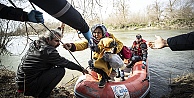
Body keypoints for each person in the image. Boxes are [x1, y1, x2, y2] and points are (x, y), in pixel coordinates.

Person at [15, 29, 88, 98]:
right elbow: (66, 63)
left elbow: (52, 35)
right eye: (56, 41)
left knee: (51, 65)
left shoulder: (35, 43)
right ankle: (43, 95)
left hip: (20, 82)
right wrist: (81, 69)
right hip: (28, 87)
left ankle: (38, 90)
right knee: (60, 70)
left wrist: (60, 28)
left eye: (59, 41)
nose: (59, 44)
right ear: (47, 39)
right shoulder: (49, 51)